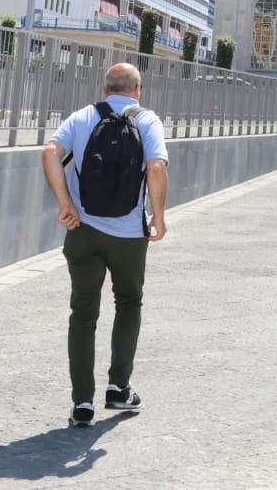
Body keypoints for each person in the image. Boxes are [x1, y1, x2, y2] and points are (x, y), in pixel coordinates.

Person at [42, 61, 169, 429]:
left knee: (83, 313)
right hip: (129, 234)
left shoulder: (82, 117)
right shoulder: (146, 120)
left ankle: (82, 403)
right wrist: (157, 216)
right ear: (137, 89)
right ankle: (118, 388)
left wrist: (66, 205)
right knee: (128, 302)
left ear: (104, 90)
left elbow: (51, 152)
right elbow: (157, 167)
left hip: (82, 230)